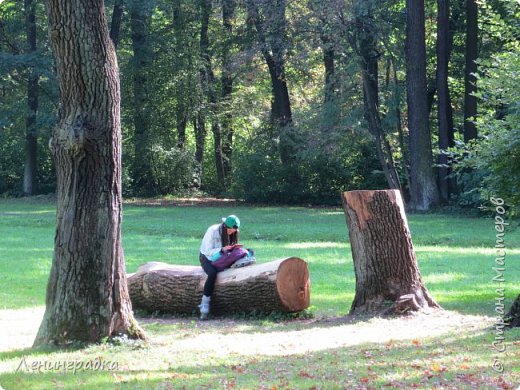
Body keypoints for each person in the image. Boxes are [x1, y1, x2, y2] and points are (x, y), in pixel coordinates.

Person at [198, 214, 240, 320]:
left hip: (222, 257)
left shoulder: (233, 232)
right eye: (230, 231)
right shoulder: (212, 230)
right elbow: (207, 251)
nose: (231, 233)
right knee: (212, 273)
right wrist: (222, 250)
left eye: (233, 232)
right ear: (225, 226)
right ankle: (204, 304)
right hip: (207, 257)